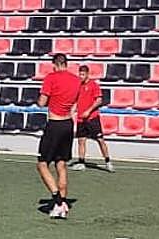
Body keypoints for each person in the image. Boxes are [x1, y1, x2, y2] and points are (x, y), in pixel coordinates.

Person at [37, 53, 81, 218]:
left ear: (55, 65)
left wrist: (44, 100)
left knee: (42, 164)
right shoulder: (76, 80)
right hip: (68, 124)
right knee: (61, 164)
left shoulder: (51, 78)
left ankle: (58, 201)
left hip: (54, 124)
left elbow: (42, 102)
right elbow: (74, 104)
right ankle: (61, 205)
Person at [71, 65, 114, 172]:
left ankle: (108, 162)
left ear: (87, 74)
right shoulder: (78, 86)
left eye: (82, 74)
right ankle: (81, 163)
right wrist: (72, 112)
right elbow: (76, 101)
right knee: (81, 141)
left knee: (100, 140)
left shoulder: (94, 85)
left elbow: (99, 101)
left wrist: (88, 111)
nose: (80, 76)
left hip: (92, 118)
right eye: (80, 74)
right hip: (81, 119)